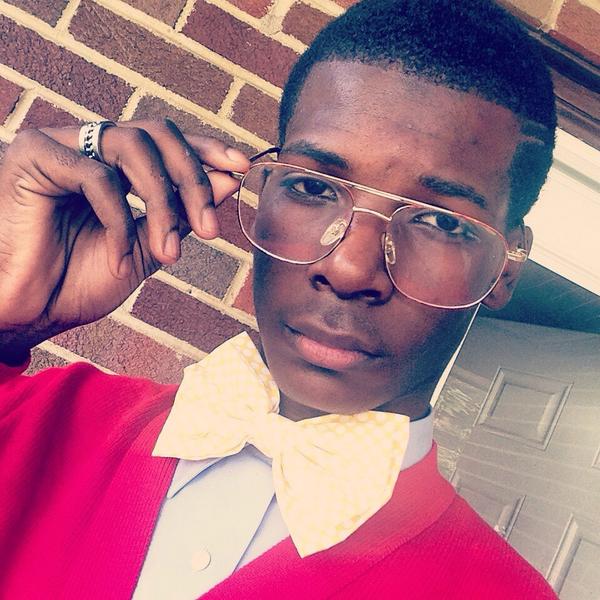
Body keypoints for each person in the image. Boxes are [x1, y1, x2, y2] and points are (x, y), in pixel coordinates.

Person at [0, 0, 559, 598]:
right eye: (313, 186)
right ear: (261, 188)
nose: (349, 268)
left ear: (507, 265)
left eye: (441, 222)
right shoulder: (41, 419)